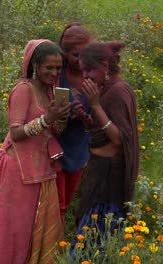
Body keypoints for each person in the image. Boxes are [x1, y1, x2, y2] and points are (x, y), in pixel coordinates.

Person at [0, 39, 70, 264]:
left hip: (40, 168)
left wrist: (60, 119)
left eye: (58, 68)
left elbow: (52, 132)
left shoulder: (50, 92)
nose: (54, 72)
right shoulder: (23, 91)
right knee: (15, 230)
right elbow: (16, 133)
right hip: (18, 170)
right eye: (49, 67)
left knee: (33, 227)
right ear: (35, 65)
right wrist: (47, 119)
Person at [69, 41, 139, 259]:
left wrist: (96, 105)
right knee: (91, 236)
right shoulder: (106, 89)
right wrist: (86, 118)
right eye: (82, 72)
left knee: (98, 236)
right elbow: (103, 130)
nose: (86, 77)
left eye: (89, 70)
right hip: (99, 171)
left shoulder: (119, 92)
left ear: (105, 65)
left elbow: (119, 138)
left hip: (109, 179)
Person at [56, 23, 95, 226]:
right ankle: (53, 248)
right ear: (64, 53)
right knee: (57, 204)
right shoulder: (56, 74)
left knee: (67, 200)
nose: (81, 61)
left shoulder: (94, 77)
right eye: (75, 55)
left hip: (79, 149)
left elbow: (98, 121)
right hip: (55, 147)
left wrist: (85, 119)